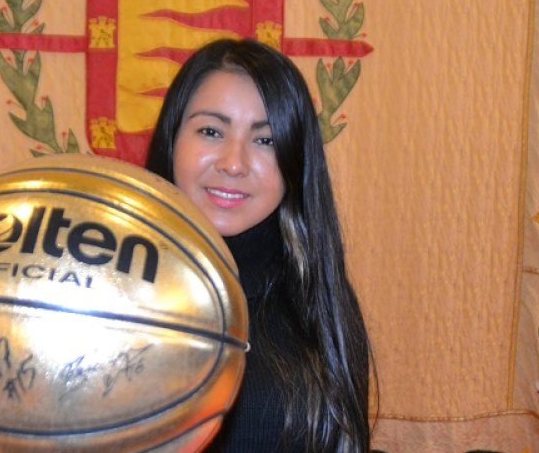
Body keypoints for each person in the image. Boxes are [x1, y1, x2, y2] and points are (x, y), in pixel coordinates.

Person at [145, 38, 373, 452]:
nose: (234, 162)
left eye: (265, 140)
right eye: (210, 131)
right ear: (172, 141)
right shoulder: (111, 280)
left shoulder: (315, 297)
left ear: (293, 162)